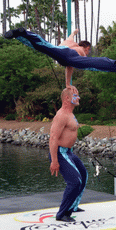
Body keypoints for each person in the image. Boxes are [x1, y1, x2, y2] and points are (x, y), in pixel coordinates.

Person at [4, 28, 116, 87]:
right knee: (93, 63)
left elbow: (70, 36)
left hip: (61, 50)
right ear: (86, 47)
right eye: (88, 50)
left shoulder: (70, 42)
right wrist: (67, 84)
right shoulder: (81, 50)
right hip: (69, 56)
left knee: (43, 45)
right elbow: (69, 67)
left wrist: (74, 32)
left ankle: (21, 33)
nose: (87, 53)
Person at [49, 86, 88, 222]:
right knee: (75, 181)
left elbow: (69, 68)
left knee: (83, 175)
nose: (78, 98)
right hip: (60, 153)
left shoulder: (70, 113)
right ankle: (63, 214)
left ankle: (74, 206)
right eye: (75, 95)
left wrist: (69, 79)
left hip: (69, 152)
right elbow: (53, 138)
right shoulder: (61, 116)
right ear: (67, 98)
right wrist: (54, 161)